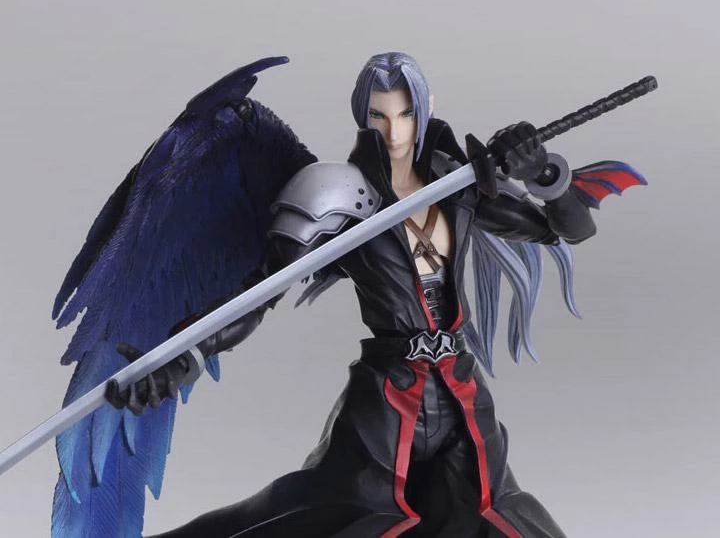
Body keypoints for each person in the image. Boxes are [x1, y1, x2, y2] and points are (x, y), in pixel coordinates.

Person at [104, 52, 598, 537]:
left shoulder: (458, 183)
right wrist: (181, 356)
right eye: (379, 116)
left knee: (498, 518)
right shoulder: (338, 193)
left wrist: (542, 174)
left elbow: (569, 230)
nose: (395, 131)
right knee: (336, 516)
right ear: (362, 116)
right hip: (388, 395)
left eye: (406, 114)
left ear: (426, 109)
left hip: (460, 389)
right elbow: (260, 292)